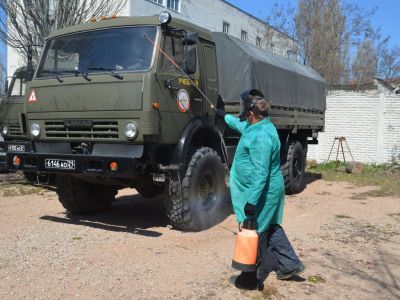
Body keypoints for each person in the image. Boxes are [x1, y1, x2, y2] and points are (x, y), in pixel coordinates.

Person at [215, 89, 305, 290]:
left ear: (250, 113)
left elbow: (260, 174)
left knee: (254, 231)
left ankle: (251, 278)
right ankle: (289, 265)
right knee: (271, 227)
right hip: (265, 190)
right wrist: (223, 116)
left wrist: (251, 202)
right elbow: (240, 126)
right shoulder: (258, 125)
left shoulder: (262, 136)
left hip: (263, 191)